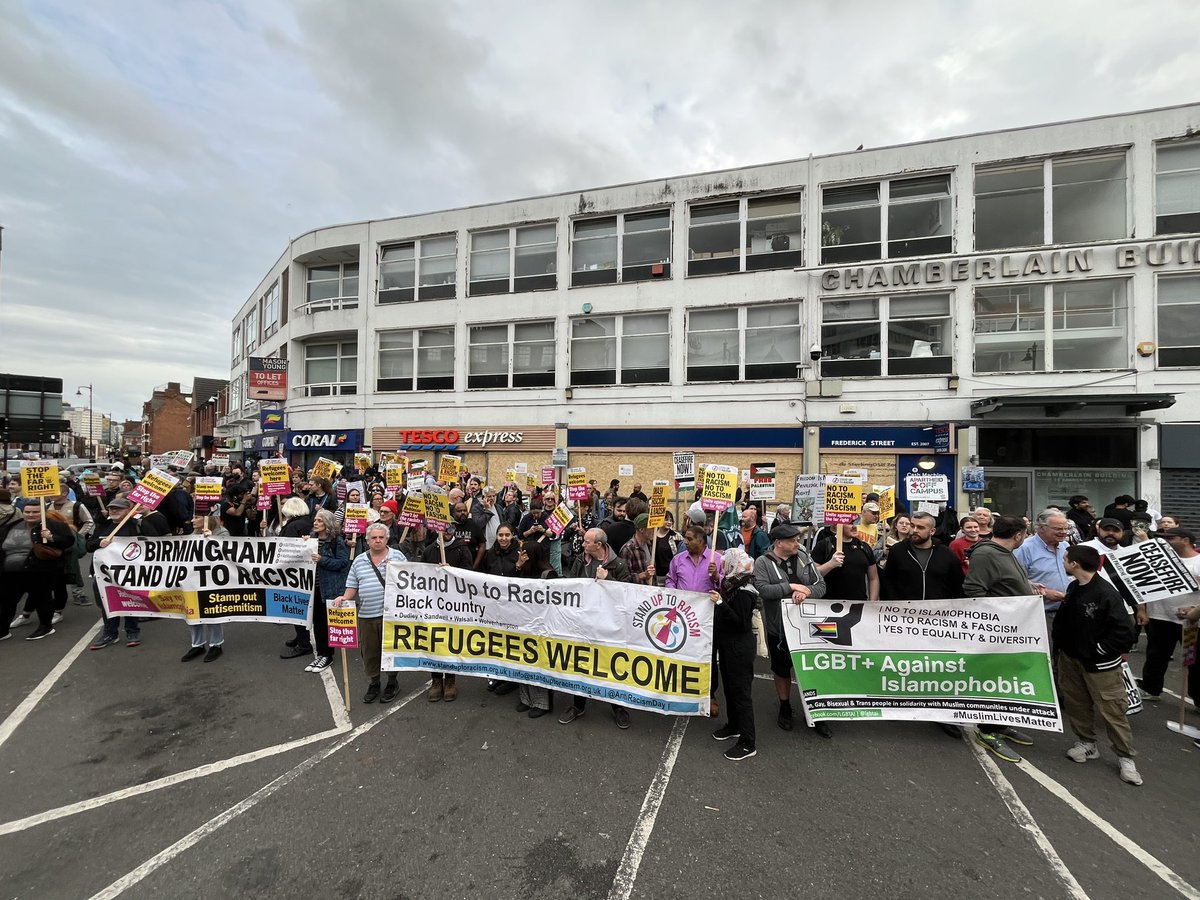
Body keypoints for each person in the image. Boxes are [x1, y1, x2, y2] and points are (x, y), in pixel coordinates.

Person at [1054, 545, 1142, 786]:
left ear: (1075, 564)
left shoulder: (1106, 593)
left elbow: (1125, 632)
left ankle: (1126, 758)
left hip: (1100, 665)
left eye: (1065, 559)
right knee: (1077, 703)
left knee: (1112, 710)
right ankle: (1087, 743)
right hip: (1071, 659)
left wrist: (1099, 650)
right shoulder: (1074, 587)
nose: (1063, 562)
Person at [963, 515, 1038, 762]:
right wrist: (999, 618)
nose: (1024, 539)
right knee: (992, 680)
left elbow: (1005, 583)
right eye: (1024, 535)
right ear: (1018, 535)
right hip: (999, 630)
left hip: (1015, 628)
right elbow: (975, 590)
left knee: (1008, 679)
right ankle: (987, 730)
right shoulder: (986, 554)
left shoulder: (1003, 553)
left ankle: (1000, 722)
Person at [751, 521, 832, 737]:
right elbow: (762, 589)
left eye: (797, 540)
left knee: (811, 670)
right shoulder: (763, 562)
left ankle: (816, 711)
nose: (798, 543)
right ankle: (785, 705)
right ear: (779, 543)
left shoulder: (805, 558)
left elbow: (821, 585)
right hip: (779, 628)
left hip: (810, 628)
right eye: (793, 540)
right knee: (781, 668)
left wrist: (807, 592)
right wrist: (790, 587)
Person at [560, 528, 634, 729]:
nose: (583, 545)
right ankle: (578, 705)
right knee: (581, 663)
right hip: (583, 623)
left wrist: (608, 579)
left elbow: (627, 594)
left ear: (598, 545)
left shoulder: (617, 564)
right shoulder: (580, 561)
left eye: (586, 542)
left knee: (611, 665)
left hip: (609, 625)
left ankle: (618, 706)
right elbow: (570, 587)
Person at [331, 523, 407, 704]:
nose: (378, 540)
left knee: (389, 650)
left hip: (391, 615)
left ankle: (392, 682)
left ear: (387, 539)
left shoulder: (398, 557)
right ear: (367, 541)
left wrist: (395, 570)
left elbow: (410, 584)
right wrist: (344, 598)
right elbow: (352, 586)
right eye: (374, 538)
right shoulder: (359, 560)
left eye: (381, 537)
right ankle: (374, 682)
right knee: (369, 652)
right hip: (366, 615)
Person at [1137, 527, 1200, 704]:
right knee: (1156, 656)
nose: (1166, 541)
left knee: (1194, 661)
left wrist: (1194, 609)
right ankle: (1151, 688)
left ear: (1185, 540)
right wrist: (1142, 610)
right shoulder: (1159, 560)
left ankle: (1198, 697)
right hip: (1161, 616)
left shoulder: (1198, 562)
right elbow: (1143, 586)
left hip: (1192, 621)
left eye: (1171, 538)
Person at [708, 547, 758, 761]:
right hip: (729, 646)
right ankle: (734, 725)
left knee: (741, 694)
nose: (722, 566)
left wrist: (720, 603)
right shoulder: (732, 584)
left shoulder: (746, 590)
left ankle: (748, 742)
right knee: (729, 689)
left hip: (740, 648)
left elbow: (741, 622)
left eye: (725, 562)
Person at [1, 500, 75, 641]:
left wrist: (51, 537)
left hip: (39, 570)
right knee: (6, 601)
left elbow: (69, 542)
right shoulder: (12, 526)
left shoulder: (55, 526)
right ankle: (3, 630)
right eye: (27, 512)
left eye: (35, 512)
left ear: (43, 513)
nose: (30, 515)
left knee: (42, 599)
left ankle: (45, 627)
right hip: (9, 572)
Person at [422, 521, 475, 702]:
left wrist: (451, 572)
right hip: (434, 604)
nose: (446, 532)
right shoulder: (429, 550)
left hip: (454, 605)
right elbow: (421, 574)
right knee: (434, 640)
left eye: (449, 528)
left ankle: (451, 680)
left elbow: (469, 573)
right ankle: (436, 680)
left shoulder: (462, 549)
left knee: (451, 640)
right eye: (442, 528)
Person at [85, 497, 143, 649]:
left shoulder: (136, 525)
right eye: (111, 508)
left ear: (128, 511)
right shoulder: (104, 526)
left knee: (130, 601)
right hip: (104, 574)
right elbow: (89, 545)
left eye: (118, 508)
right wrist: (99, 543)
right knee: (107, 603)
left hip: (128, 572)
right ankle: (110, 633)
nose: (114, 511)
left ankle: (132, 631)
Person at [1014, 510, 1071, 653]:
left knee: (1066, 656)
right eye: (1058, 529)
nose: (1063, 532)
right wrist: (1041, 592)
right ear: (1041, 527)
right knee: (1047, 656)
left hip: (1065, 611)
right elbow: (1015, 580)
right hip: (1041, 613)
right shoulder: (1025, 548)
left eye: (1066, 528)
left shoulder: (1065, 546)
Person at [879, 511, 964, 602]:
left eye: (920, 527)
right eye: (912, 526)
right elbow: (889, 582)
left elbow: (957, 585)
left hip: (938, 611)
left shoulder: (946, 554)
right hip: (905, 611)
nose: (914, 530)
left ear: (932, 531)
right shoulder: (897, 551)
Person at [305, 508, 350, 673]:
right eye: (315, 520)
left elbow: (343, 563)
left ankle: (328, 654)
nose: (315, 523)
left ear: (327, 523)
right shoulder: (312, 540)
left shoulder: (336, 541)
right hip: (313, 588)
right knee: (317, 621)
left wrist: (322, 560)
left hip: (330, 588)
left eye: (319, 521)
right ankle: (322, 653)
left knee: (326, 622)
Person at [181, 514, 229, 662]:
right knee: (192, 611)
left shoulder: (222, 533)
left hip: (212, 580)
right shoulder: (193, 534)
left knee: (211, 612)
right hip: (193, 579)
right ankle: (197, 645)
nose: (192, 520)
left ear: (207, 519)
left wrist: (211, 540)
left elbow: (227, 551)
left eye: (196, 518)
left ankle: (216, 644)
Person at [278, 497, 316, 661]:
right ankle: (301, 637)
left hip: (295, 573)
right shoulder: (308, 522)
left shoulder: (292, 527)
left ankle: (303, 644)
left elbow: (287, 550)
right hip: (307, 572)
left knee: (296, 606)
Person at [812, 521, 879, 601]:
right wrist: (830, 564)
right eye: (850, 523)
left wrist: (872, 603)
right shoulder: (824, 545)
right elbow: (812, 576)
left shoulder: (864, 547)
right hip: (828, 605)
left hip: (858, 605)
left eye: (856, 523)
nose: (854, 526)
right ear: (838, 525)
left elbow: (873, 578)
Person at [619, 513, 656, 585]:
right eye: (652, 528)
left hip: (651, 592)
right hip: (636, 593)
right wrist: (643, 575)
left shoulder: (650, 545)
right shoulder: (628, 549)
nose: (655, 531)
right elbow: (624, 578)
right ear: (642, 529)